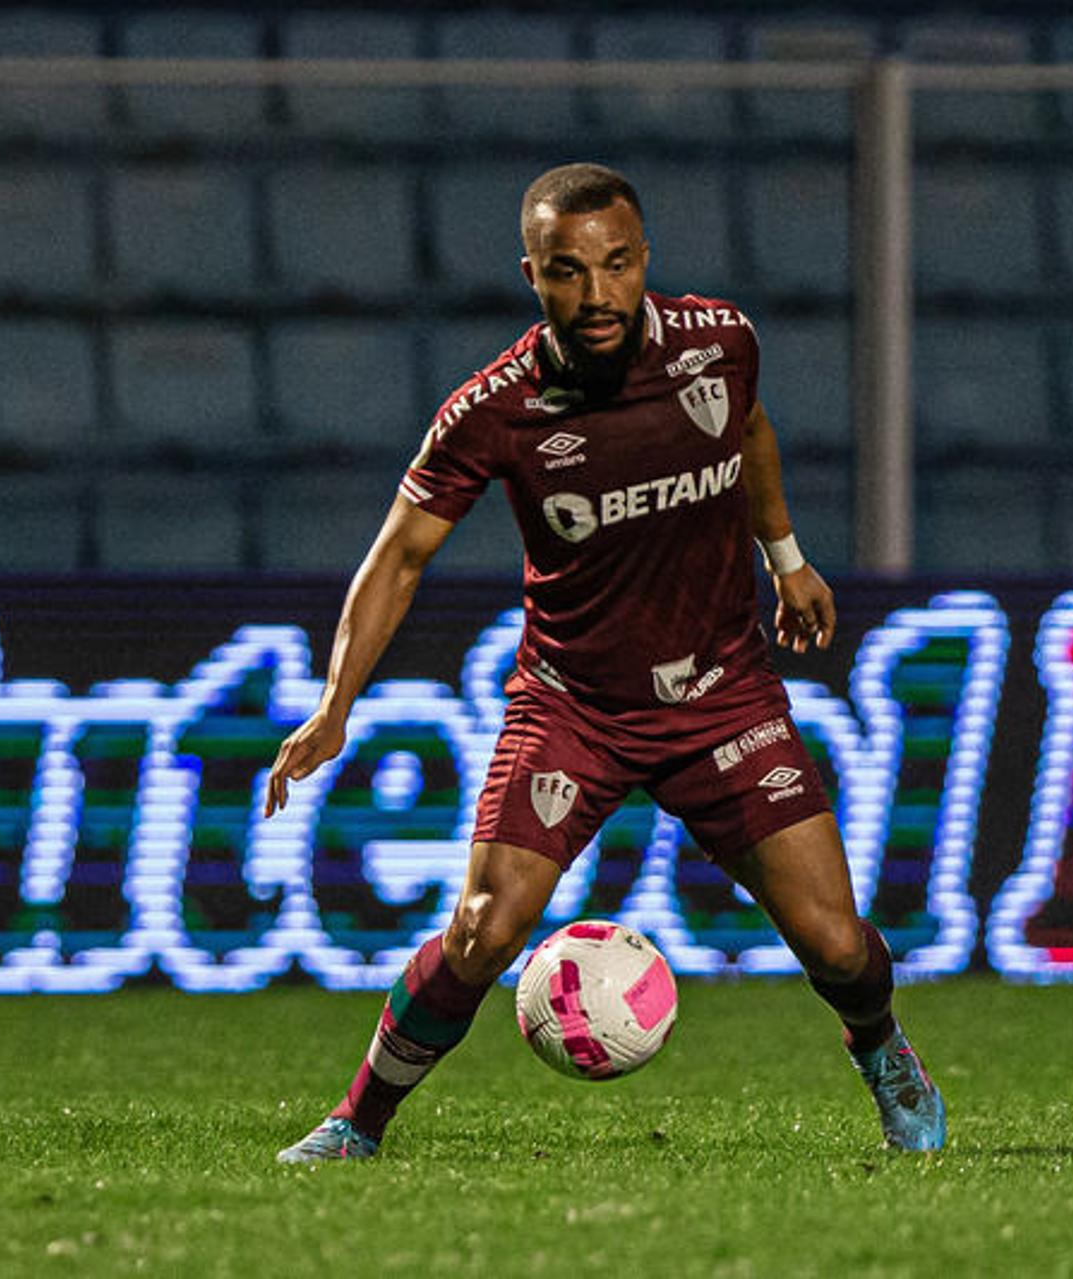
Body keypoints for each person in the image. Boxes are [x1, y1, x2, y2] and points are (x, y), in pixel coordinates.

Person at [269, 162, 945, 1163]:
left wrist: (786, 556)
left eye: (615, 265)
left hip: (722, 695)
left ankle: (884, 1053)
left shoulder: (721, 343)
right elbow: (400, 554)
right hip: (573, 706)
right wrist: (335, 706)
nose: (596, 294)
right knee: (484, 931)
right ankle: (357, 1123)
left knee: (839, 944)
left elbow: (749, 431)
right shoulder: (493, 410)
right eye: (567, 271)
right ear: (533, 277)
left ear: (643, 263)